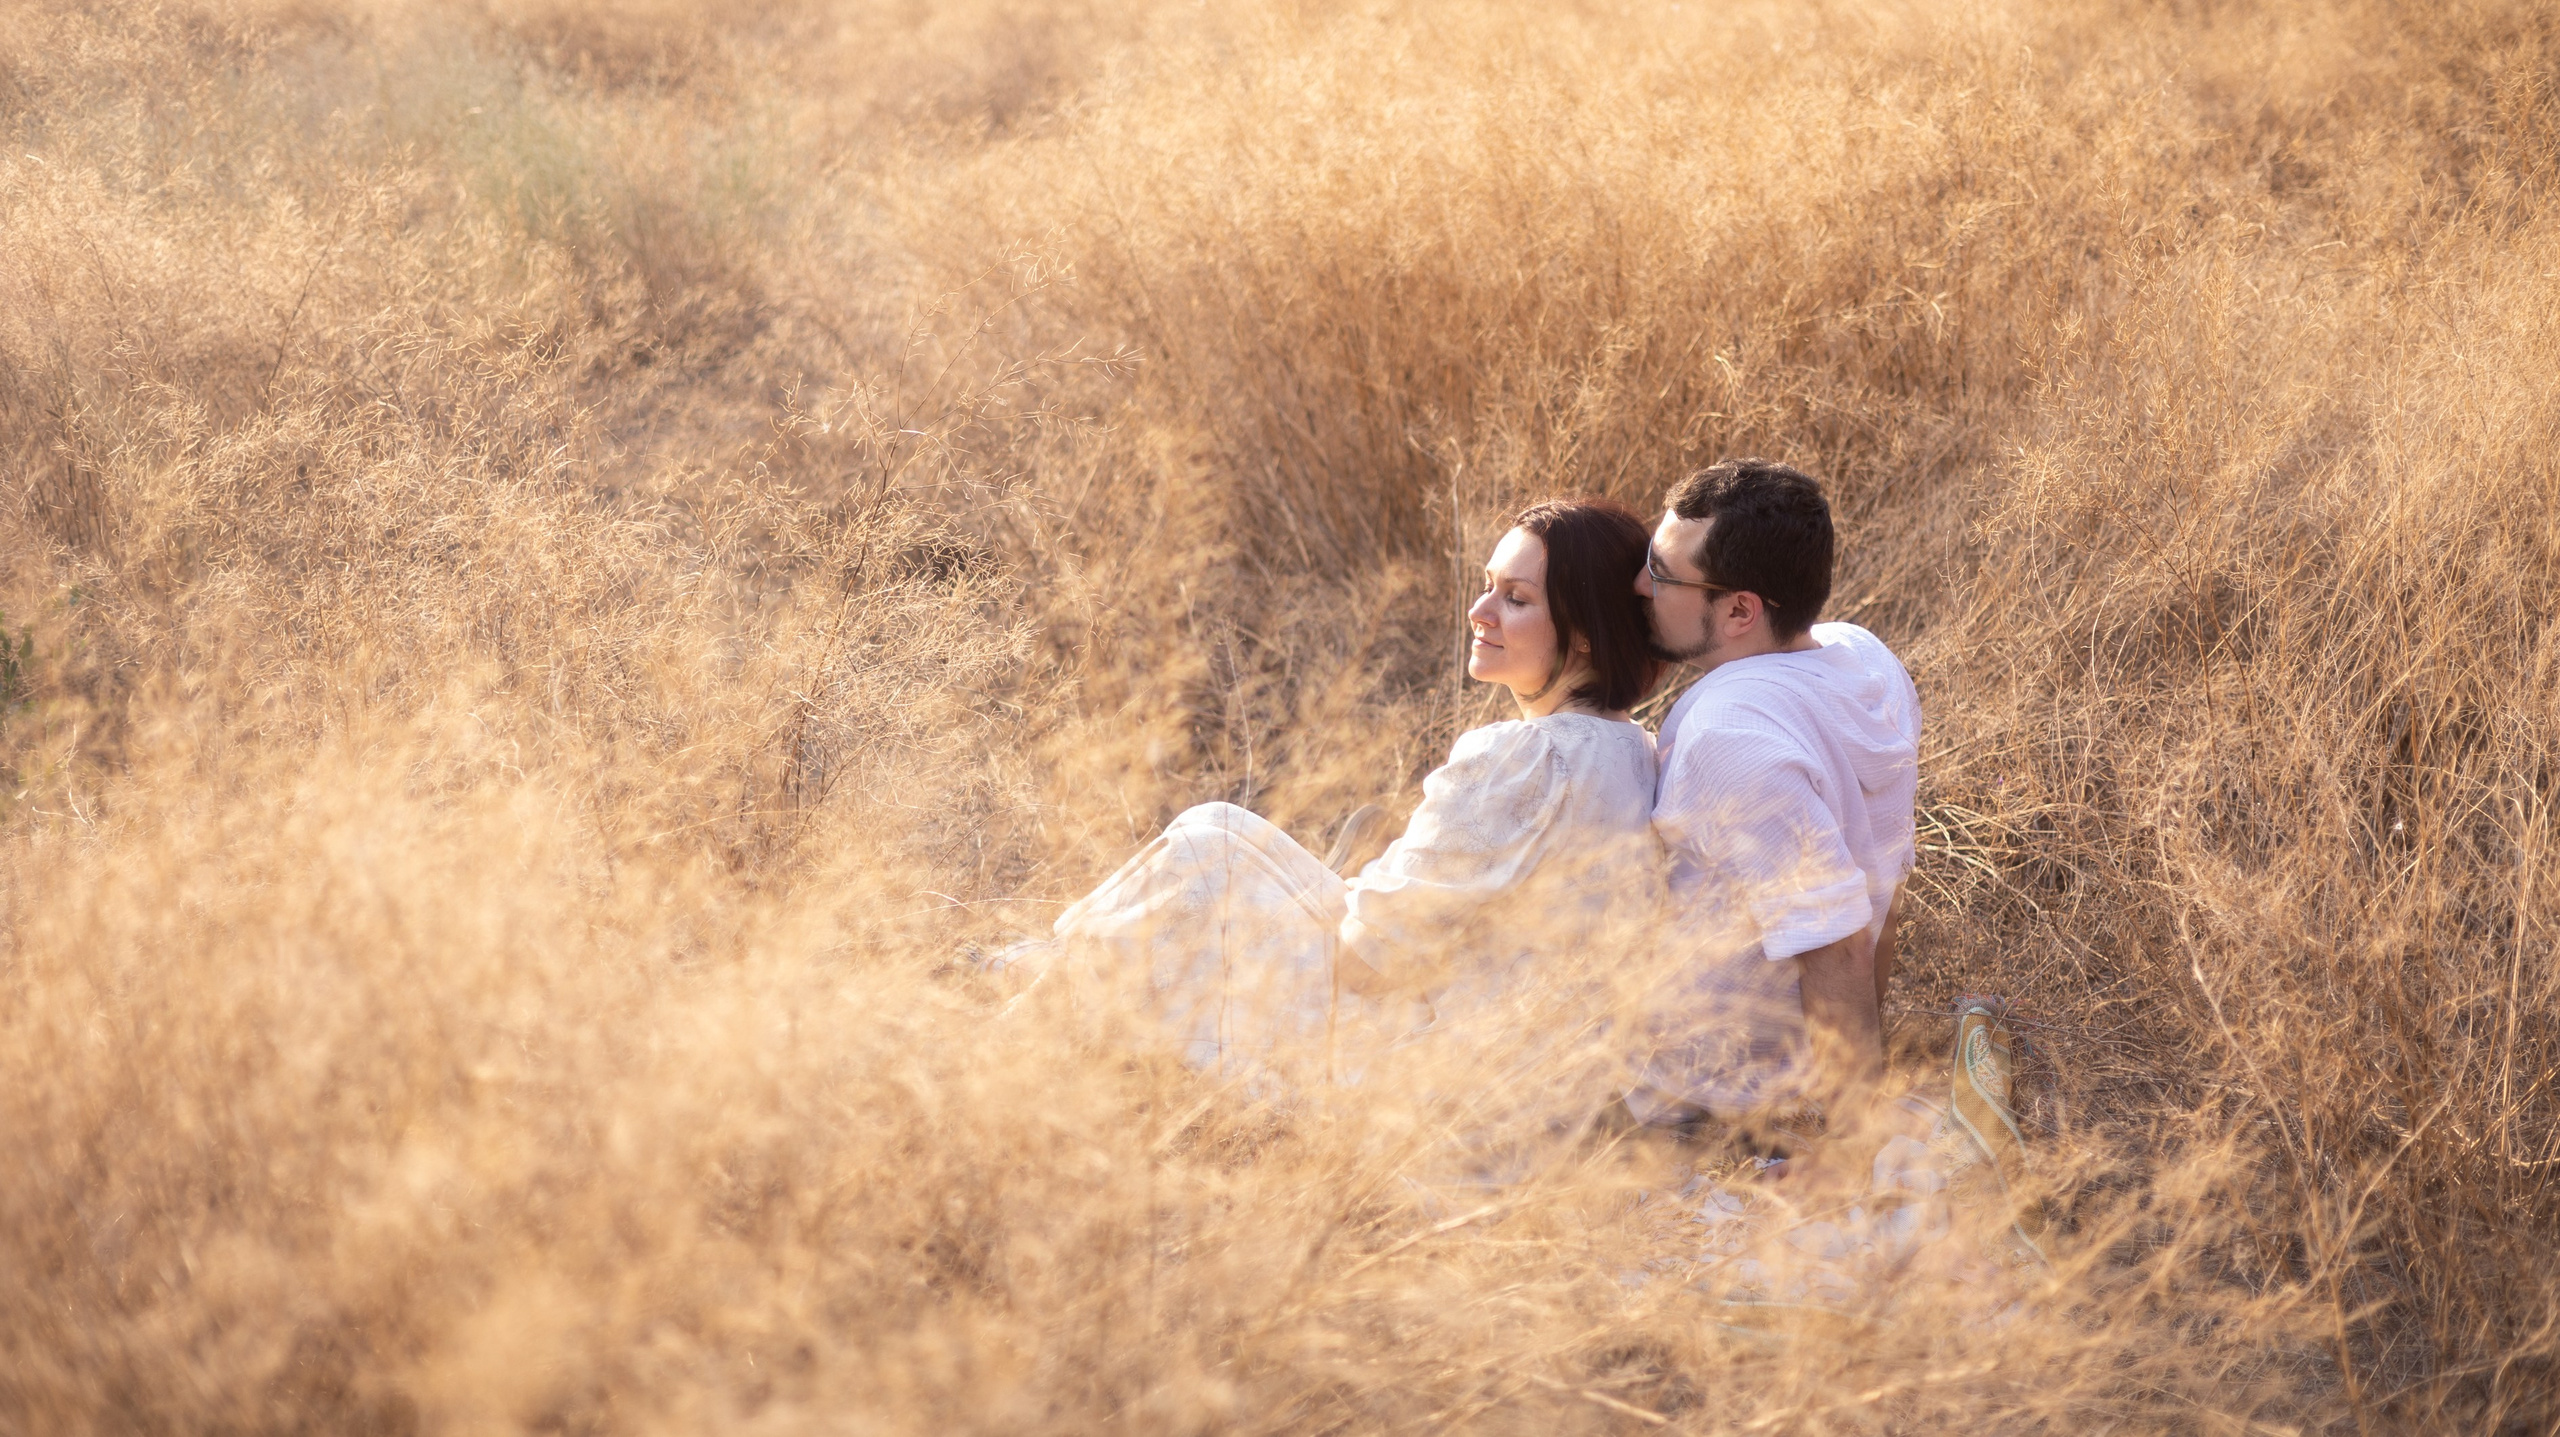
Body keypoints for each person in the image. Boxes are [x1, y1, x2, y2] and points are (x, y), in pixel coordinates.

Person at [1042, 499, 1664, 1091]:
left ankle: (1042, 992)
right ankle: (1048, 974)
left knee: (1209, 847)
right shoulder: (1634, 749)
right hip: (1529, 1075)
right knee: (1221, 833)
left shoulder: (1526, 757)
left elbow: (1370, 958)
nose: (1480, 610)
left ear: (1584, 631)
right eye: (1487, 584)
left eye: (1516, 598)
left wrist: (1272, 903)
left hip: (1416, 1064)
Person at [1627, 458, 1922, 1170]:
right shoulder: (1863, 657)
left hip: (1696, 1095)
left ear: (1739, 611)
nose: (1639, 584)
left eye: (1663, 575)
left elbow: (1837, 940)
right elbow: (1882, 878)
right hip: (1771, 1062)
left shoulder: (1730, 731)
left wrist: (1854, 1148)